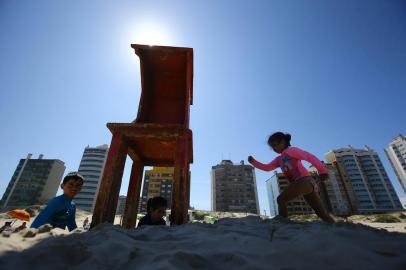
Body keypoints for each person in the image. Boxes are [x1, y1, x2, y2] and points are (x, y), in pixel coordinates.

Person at [248, 132, 335, 223]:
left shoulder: (291, 150)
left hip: (304, 181)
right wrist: (254, 162)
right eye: (272, 147)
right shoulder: (279, 159)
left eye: (275, 145)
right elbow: (267, 168)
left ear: (283, 142)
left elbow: (309, 157)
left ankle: (283, 222)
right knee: (321, 213)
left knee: (280, 199)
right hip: (306, 185)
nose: (274, 148)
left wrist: (323, 171)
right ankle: (334, 225)